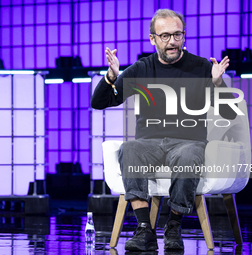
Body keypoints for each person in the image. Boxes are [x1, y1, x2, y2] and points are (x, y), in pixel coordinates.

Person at [91, 9, 235, 251]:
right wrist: (110, 77)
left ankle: (174, 225)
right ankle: (144, 229)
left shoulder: (201, 67)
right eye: (165, 36)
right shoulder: (142, 68)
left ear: (184, 36)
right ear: (153, 38)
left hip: (188, 142)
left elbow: (230, 114)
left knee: (188, 155)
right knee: (130, 149)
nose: (172, 42)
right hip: (149, 143)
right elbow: (99, 103)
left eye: (177, 35)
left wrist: (218, 84)